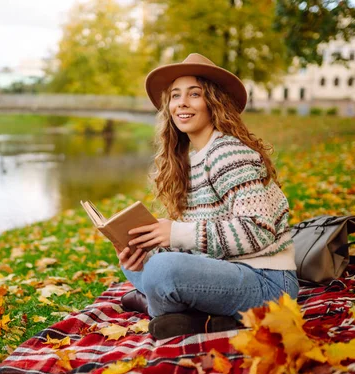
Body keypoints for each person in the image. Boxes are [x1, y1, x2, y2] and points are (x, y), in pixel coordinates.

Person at [115, 53, 299, 340]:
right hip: (226, 271)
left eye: (194, 94)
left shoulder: (228, 153)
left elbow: (259, 230)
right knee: (143, 264)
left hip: (268, 283)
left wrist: (175, 234)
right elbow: (203, 248)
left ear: (214, 103)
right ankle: (199, 316)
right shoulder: (188, 160)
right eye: (175, 96)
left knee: (163, 272)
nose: (182, 103)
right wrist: (147, 250)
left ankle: (156, 305)